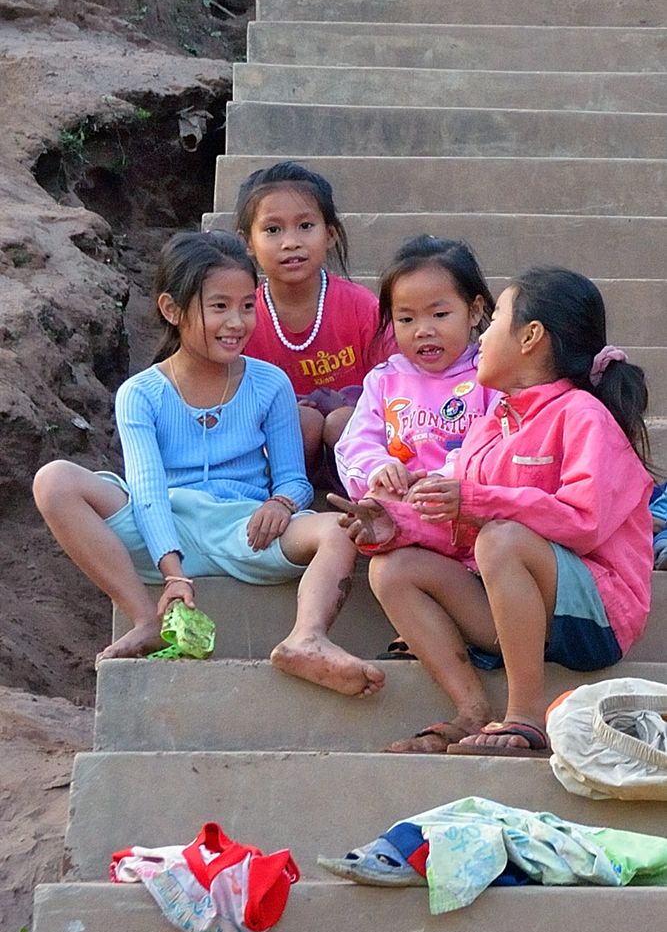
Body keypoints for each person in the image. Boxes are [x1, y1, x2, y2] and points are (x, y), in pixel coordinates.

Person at [32, 230, 384, 698]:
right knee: (55, 480)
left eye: (246, 306)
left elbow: (295, 480)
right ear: (172, 310)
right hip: (159, 524)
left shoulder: (269, 384)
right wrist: (173, 572)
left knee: (338, 530)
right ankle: (145, 617)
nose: (236, 322)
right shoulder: (142, 393)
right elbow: (149, 490)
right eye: (218, 307)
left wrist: (281, 502)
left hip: (243, 528)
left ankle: (307, 638)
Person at [330, 266, 654, 753]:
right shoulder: (491, 424)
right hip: (523, 611)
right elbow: (458, 530)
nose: (481, 338)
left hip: (598, 616)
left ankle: (523, 717)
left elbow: (583, 523)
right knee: (392, 569)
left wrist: (477, 502)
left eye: (496, 318)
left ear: (530, 337)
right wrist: (391, 525)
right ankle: (471, 711)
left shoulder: (584, 416)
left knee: (500, 537)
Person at [334, 234, 498, 660]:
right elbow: (357, 440)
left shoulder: (489, 374)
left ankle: (452, 623)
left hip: (462, 508)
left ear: (475, 310)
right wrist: (378, 467)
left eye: (440, 314)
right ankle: (422, 624)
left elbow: (501, 440)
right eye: (405, 320)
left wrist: (448, 475)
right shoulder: (386, 379)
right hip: (406, 511)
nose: (423, 330)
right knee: (376, 510)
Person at [235, 160, 390, 484]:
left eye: (305, 226)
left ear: (330, 233)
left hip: (359, 450)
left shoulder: (362, 307)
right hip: (273, 455)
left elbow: (396, 381)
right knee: (300, 421)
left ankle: (366, 504)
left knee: (341, 421)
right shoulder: (242, 315)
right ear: (248, 241)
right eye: (273, 230)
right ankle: (284, 499)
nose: (290, 242)